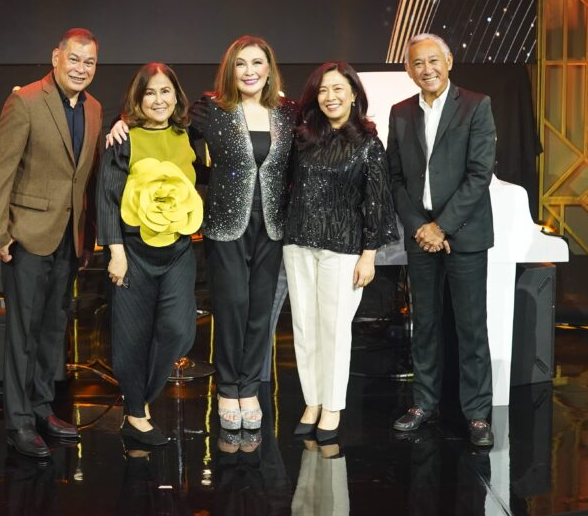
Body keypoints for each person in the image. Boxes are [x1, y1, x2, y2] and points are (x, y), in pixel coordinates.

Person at [109, 35, 296, 430]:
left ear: (269, 69)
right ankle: (229, 388)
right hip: (226, 224)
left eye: (257, 63)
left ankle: (249, 388)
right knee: (233, 309)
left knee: (260, 310)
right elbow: (162, 123)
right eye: (241, 64)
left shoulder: (288, 113)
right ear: (230, 69)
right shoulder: (211, 110)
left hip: (274, 225)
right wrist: (120, 124)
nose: (249, 71)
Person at [0, 28, 102, 458]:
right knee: (23, 334)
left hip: (68, 241)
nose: (81, 68)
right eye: (74, 59)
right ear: (56, 57)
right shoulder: (26, 100)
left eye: (89, 62)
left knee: (52, 330)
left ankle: (42, 406)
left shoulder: (95, 109)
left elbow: (83, 180)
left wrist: (86, 239)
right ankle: (18, 421)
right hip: (26, 238)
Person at [387, 33, 496, 448]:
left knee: (470, 327)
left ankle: (477, 414)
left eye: (434, 60)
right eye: (417, 63)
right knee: (425, 325)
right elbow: (395, 178)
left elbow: (479, 174)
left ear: (449, 61)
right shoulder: (400, 113)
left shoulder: (476, 105)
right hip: (421, 235)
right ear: (409, 70)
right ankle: (424, 404)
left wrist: (442, 227)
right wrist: (420, 226)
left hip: (463, 234)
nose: (427, 69)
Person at [283, 61, 397, 442]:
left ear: (353, 95)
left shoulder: (368, 144)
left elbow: (378, 203)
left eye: (338, 89)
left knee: (334, 331)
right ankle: (311, 401)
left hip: (344, 248)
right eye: (323, 90)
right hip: (298, 242)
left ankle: (332, 406)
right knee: (304, 328)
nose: (330, 97)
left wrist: (370, 255)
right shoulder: (302, 138)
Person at [97, 63, 203, 446]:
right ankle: (136, 414)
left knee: (178, 330)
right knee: (131, 337)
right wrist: (116, 252)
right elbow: (106, 197)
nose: (158, 100)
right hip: (132, 252)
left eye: (165, 91)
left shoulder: (189, 133)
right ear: (138, 99)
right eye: (150, 93)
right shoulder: (123, 137)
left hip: (177, 250)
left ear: (177, 96)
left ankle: (141, 398)